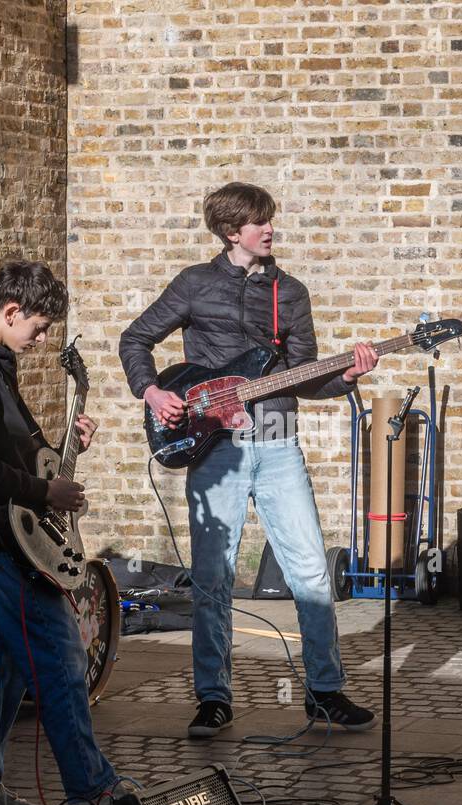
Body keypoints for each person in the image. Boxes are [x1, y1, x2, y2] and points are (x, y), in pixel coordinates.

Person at [119, 182, 378, 737]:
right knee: (213, 578)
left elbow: (308, 377)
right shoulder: (194, 284)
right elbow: (135, 339)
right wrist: (153, 392)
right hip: (214, 448)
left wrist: (347, 376)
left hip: (280, 441)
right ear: (232, 232)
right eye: (261, 223)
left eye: (271, 221)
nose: (271, 230)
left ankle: (325, 693)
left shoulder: (293, 292)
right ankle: (214, 698)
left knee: (309, 569)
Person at [0, 260, 130, 805]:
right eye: (38, 328)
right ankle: (95, 793)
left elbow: (4, 448)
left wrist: (63, 451)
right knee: (60, 659)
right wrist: (46, 489)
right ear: (11, 311)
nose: (42, 340)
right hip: (0, 543)